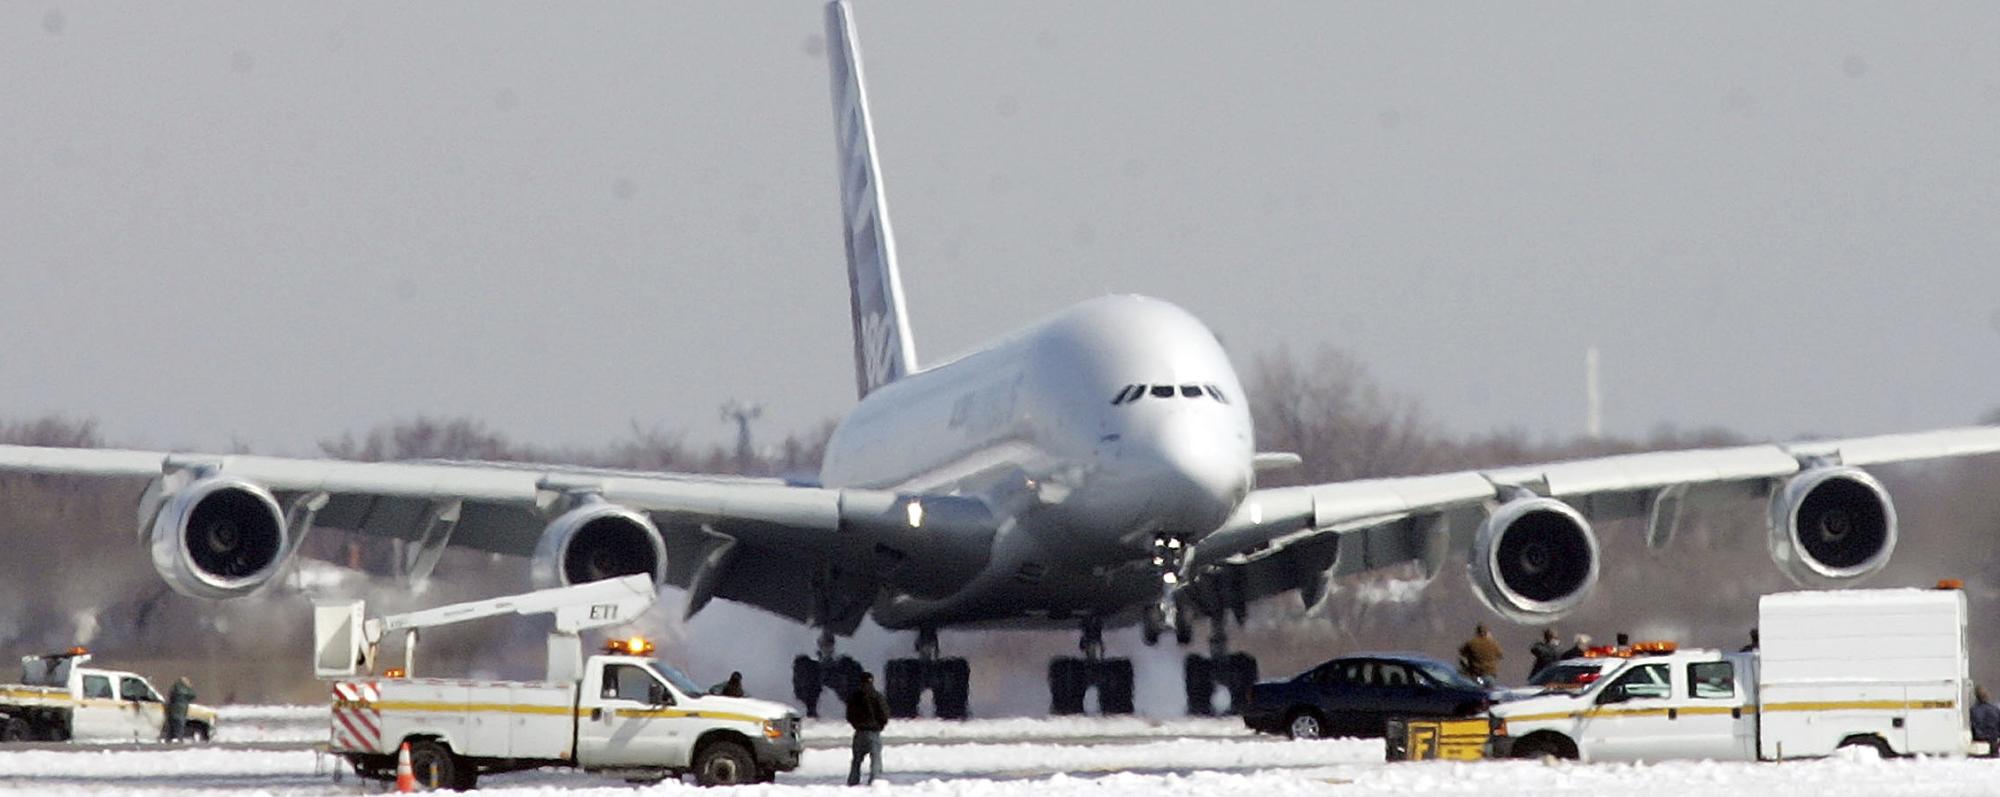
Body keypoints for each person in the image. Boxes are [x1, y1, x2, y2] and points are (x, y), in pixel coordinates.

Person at [845, 671, 890, 785]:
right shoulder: (877, 696)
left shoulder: (855, 697)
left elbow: (849, 715)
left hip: (860, 732)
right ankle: (875, 781)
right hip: (874, 732)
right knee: (875, 759)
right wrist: (880, 726)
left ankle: (853, 781)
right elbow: (884, 714)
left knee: (856, 760)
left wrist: (856, 725)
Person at [163, 676, 196, 742]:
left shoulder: (174, 688)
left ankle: (168, 742)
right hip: (181, 712)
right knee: (179, 729)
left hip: (172, 711)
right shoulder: (186, 690)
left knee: (171, 729)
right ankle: (179, 742)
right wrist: (189, 686)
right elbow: (193, 695)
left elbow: (170, 696)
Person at [1973, 686, 2000, 756]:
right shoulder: (1995, 709)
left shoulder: (1973, 710)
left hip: (1979, 740)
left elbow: (1972, 726)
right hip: (1993, 741)